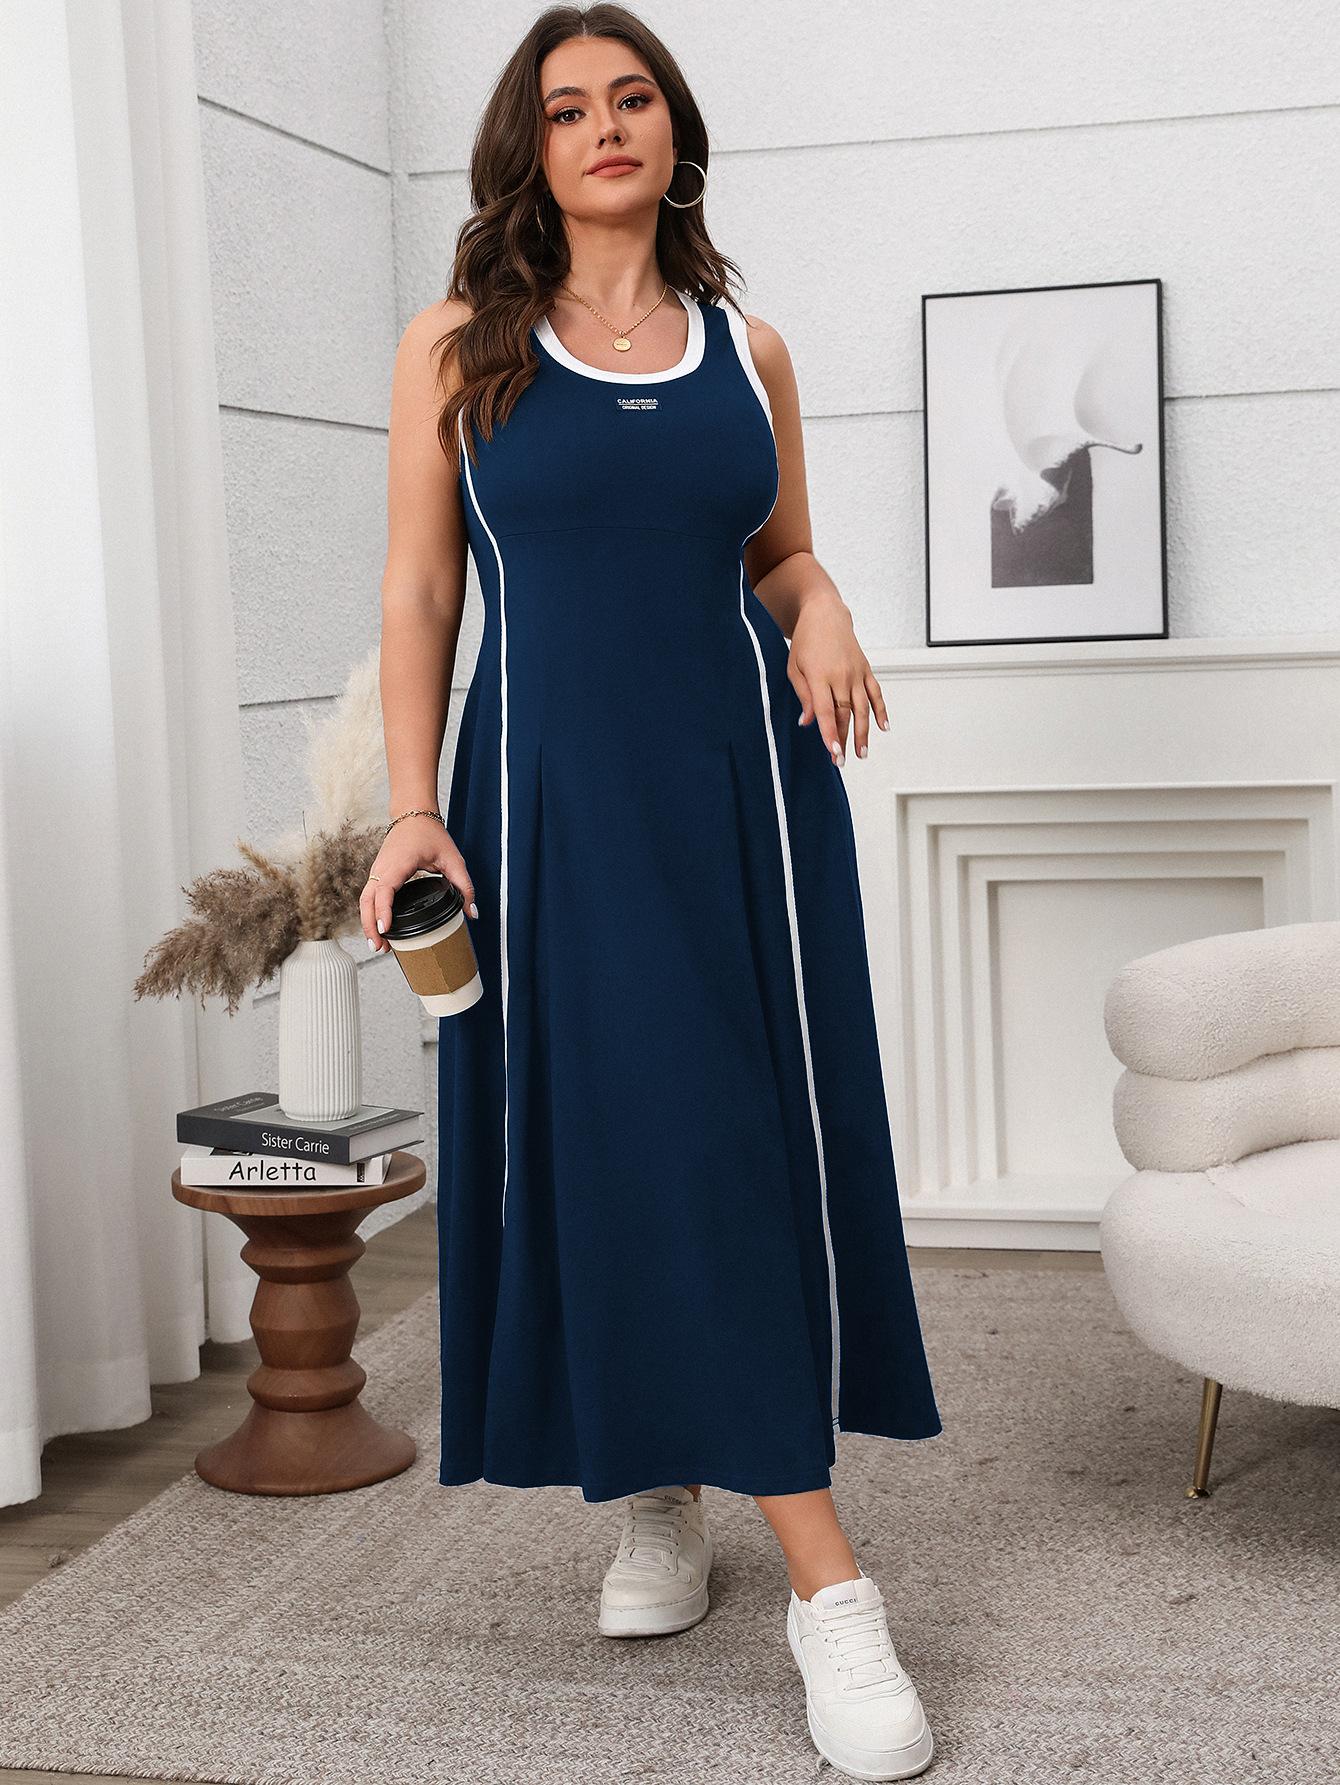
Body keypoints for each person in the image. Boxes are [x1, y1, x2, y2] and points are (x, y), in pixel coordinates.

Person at [361, 6, 942, 1777]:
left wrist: (822, 602)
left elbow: (777, 551)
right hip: (541, 810)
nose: (604, 126)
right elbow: (421, 593)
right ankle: (662, 1491)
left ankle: (826, 1584)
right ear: (529, 150)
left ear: (674, 133)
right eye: (567, 108)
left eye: (632, 99)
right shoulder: (458, 345)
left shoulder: (749, 351)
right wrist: (410, 810)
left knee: (731, 1141)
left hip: (742, 807)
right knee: (609, 1138)